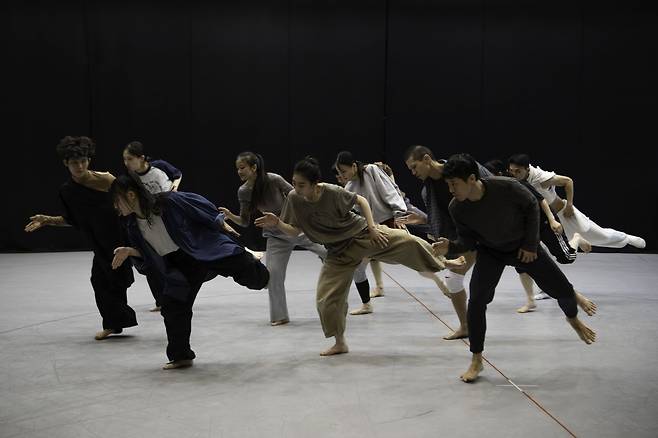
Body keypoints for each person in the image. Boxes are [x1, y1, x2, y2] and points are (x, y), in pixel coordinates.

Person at [254, 156, 464, 356]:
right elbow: (294, 231)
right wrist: (277, 223)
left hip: (361, 235)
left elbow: (362, 201)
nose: (296, 188)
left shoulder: (332, 191)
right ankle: (340, 343)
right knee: (326, 300)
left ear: (315, 183)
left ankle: (446, 262)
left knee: (406, 241)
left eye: (301, 184)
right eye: (294, 183)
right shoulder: (294, 199)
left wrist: (373, 227)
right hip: (337, 251)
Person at [433, 154, 596, 383]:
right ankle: (476, 359)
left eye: (454, 184)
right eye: (448, 184)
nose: (450, 190)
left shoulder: (506, 187)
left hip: (523, 247)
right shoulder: (457, 208)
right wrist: (450, 246)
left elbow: (532, 207)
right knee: (477, 301)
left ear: (471, 179)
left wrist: (530, 245)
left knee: (564, 291)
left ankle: (573, 319)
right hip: (491, 252)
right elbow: (467, 241)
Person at [110, 173, 269, 369]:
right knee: (172, 306)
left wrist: (220, 221)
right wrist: (128, 251)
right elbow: (149, 254)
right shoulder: (132, 225)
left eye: (117, 201)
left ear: (131, 195)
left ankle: (264, 274)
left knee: (250, 274)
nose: (116, 207)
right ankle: (181, 355)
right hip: (179, 264)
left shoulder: (168, 201)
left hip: (200, 246)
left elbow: (199, 207)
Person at [25, 136, 137, 340]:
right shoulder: (67, 191)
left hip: (122, 237)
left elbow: (132, 203)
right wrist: (48, 220)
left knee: (130, 275)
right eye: (75, 162)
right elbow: (72, 220)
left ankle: (162, 307)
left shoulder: (106, 180)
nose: (80, 166)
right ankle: (115, 323)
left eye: (84, 161)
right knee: (103, 280)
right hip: (99, 242)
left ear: (89, 160)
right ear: (65, 163)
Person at [218, 152, 327, 326]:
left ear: (254, 167)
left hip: (294, 227)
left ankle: (343, 288)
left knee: (328, 254)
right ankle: (280, 316)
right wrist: (231, 216)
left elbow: (297, 195)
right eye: (237, 169)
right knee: (274, 276)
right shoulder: (244, 191)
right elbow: (245, 222)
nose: (239, 171)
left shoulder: (273, 179)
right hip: (275, 235)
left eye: (242, 168)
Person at [401, 145, 494, 339]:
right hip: (468, 238)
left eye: (414, 167)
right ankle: (466, 326)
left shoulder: (459, 166)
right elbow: (441, 221)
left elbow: (492, 184)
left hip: (488, 230)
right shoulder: (428, 191)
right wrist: (423, 220)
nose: (413, 172)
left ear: (427, 159)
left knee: (530, 266)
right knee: (453, 280)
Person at [483, 159, 596, 314]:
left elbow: (542, 201)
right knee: (521, 263)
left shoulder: (517, 185)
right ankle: (530, 301)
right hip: (527, 229)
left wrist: (551, 221)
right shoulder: (489, 191)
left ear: (499, 174)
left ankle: (576, 239)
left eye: (490, 176)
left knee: (567, 257)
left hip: (543, 223)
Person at [334, 150, 408, 313]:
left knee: (413, 255)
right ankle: (366, 304)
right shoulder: (349, 187)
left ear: (354, 166)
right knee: (357, 266)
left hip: (391, 222)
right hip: (372, 231)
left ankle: (444, 273)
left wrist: (399, 214)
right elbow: (353, 214)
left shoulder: (371, 171)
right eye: (340, 173)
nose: (343, 176)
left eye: (344, 171)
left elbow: (390, 191)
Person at [123, 140, 183, 311]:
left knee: (175, 256)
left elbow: (177, 174)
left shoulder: (159, 166)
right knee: (152, 262)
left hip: (169, 215)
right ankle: (161, 300)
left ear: (141, 158)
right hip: (151, 221)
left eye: (130, 159)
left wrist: (173, 188)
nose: (126, 163)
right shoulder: (132, 178)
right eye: (124, 160)